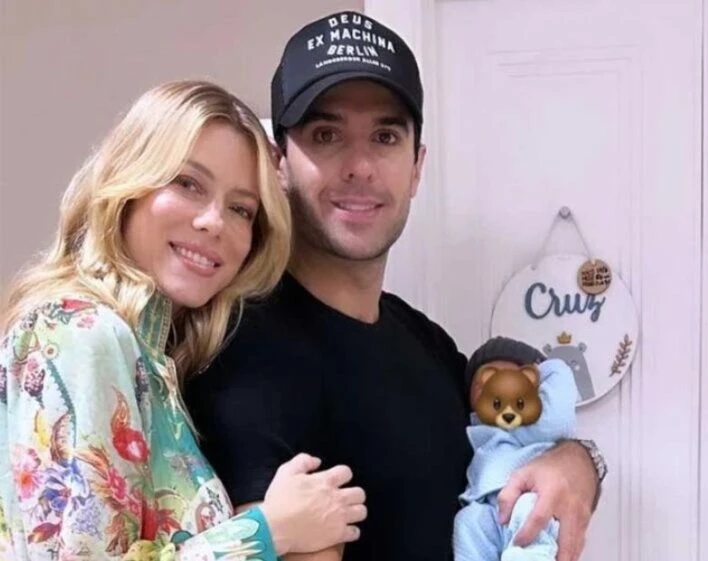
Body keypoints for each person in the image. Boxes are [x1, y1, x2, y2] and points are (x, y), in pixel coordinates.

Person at [184, 11, 607, 561]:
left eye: (385, 136)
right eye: (326, 135)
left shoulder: (426, 342)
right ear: (278, 161)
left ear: (416, 167)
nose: (360, 166)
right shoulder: (239, 347)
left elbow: (517, 438)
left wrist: (576, 462)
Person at [0, 80, 366, 560]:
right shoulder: (81, 332)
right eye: (188, 184)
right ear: (129, 184)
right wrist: (265, 533)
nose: (214, 222)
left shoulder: (155, 359)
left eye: (240, 209)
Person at [454, 337, 578, 561]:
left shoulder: (535, 425)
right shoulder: (474, 427)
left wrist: (551, 367)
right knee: (467, 522)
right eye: (482, 382)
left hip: (527, 497)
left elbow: (558, 423)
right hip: (487, 509)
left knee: (529, 514)